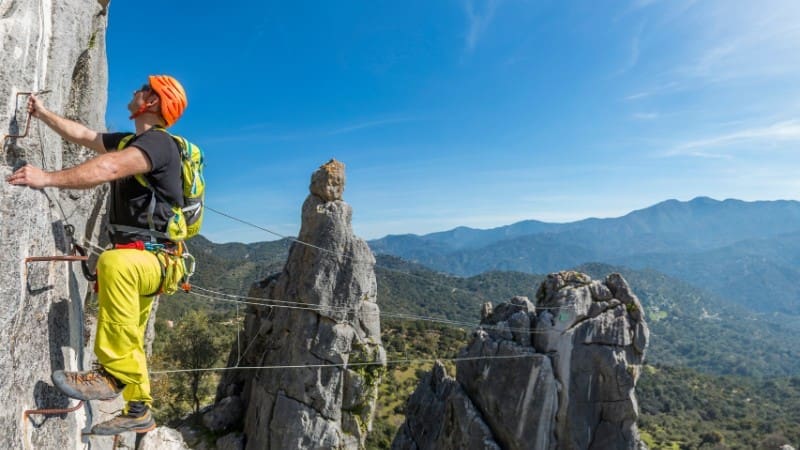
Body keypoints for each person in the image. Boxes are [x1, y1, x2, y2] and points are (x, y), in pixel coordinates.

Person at [6, 75, 189, 435]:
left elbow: (109, 168)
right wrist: (43, 114)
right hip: (149, 259)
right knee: (129, 335)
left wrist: (47, 178)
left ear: (151, 102)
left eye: (143, 88)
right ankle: (139, 409)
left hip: (149, 259)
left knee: (113, 264)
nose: (135, 90)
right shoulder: (130, 140)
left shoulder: (158, 144)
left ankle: (111, 375)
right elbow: (85, 136)